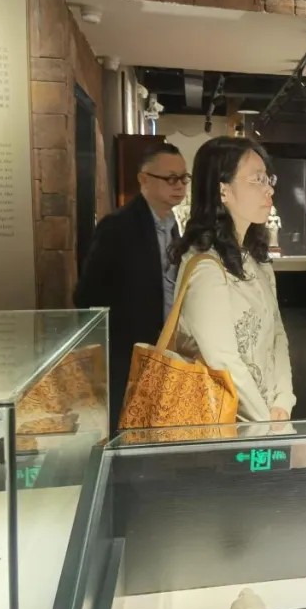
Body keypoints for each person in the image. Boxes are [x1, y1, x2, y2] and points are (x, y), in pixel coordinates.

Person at [171, 136, 295, 423]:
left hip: (268, 419)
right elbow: (222, 360)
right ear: (223, 189)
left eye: (268, 179)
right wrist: (266, 421)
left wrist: (283, 400)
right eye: (257, 179)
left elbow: (277, 336)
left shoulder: (256, 260)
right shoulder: (206, 266)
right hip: (226, 423)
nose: (269, 189)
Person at [74, 143, 189, 431]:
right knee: (124, 425)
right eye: (171, 178)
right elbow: (88, 294)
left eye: (184, 178)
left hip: (163, 347)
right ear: (144, 179)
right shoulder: (117, 227)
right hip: (127, 352)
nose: (179, 186)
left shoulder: (172, 224)